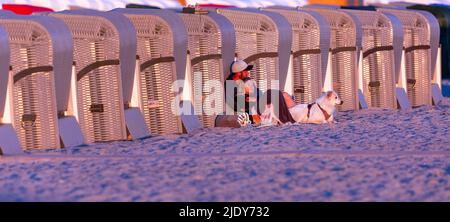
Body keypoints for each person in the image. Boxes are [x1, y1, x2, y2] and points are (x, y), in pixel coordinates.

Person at [224, 60, 296, 126]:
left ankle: (295, 116)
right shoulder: (230, 85)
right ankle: (286, 120)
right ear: (238, 73)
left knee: (284, 95)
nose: (248, 73)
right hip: (251, 109)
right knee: (271, 93)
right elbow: (235, 104)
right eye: (245, 71)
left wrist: (256, 97)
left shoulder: (246, 80)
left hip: (258, 103)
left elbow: (259, 93)